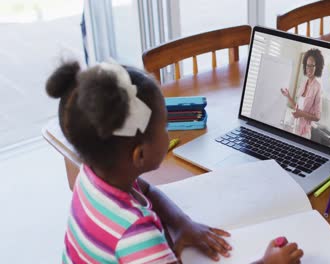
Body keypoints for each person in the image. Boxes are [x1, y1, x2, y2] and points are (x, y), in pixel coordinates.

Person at [46, 61, 303, 263]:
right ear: (140, 155)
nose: (169, 134)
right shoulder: (137, 236)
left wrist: (182, 224)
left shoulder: (93, 175)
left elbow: (147, 190)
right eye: (165, 127)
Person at [281, 48, 324, 139]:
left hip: (304, 132)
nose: (309, 69)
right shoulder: (304, 83)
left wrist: (301, 114)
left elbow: (317, 117)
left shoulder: (318, 87)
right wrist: (288, 96)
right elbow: (297, 107)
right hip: (295, 127)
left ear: (317, 67)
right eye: (307, 65)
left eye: (312, 66)